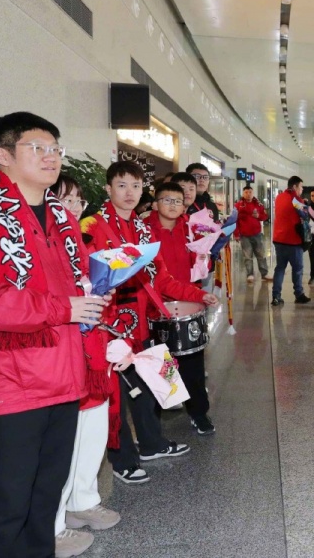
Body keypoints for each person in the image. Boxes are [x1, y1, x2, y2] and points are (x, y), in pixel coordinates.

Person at [0, 112, 111, 558]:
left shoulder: (61, 217)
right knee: (4, 509)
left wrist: (95, 294)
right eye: (37, 148)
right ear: (3, 155)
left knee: (44, 503)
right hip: (7, 385)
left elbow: (75, 285)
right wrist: (64, 308)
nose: (51, 156)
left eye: (55, 148)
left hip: (64, 378)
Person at [81, 161, 218, 485]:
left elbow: (163, 279)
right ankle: (122, 459)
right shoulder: (92, 226)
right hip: (109, 326)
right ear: (108, 189)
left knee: (153, 386)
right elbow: (85, 278)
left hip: (145, 320)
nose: (129, 193)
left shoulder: (143, 231)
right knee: (116, 397)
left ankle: (153, 443)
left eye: (136, 186)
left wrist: (198, 294)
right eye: (122, 185)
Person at [50, 175, 120, 557]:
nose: (74, 208)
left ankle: (83, 501)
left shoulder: (84, 243)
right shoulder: (45, 246)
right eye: (65, 200)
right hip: (63, 358)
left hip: (94, 353)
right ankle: (53, 524)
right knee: (61, 445)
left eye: (78, 201)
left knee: (91, 433)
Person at [144, 182, 215, 435]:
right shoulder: (144, 231)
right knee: (161, 362)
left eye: (177, 201)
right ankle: (158, 419)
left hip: (189, 302)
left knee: (193, 361)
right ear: (155, 204)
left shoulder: (193, 229)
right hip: (156, 305)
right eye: (167, 200)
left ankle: (198, 413)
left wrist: (205, 258)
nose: (173, 205)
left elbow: (204, 264)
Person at [272, 176, 312, 306]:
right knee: (297, 269)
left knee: (280, 268)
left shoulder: (279, 197)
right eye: (301, 187)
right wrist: (306, 204)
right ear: (294, 187)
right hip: (292, 240)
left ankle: (276, 296)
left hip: (278, 238)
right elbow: (305, 214)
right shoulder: (295, 199)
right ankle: (299, 294)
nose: (302, 190)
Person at [235, 185, 270, 282]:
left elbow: (265, 216)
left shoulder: (258, 204)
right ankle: (250, 274)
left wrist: (258, 216)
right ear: (243, 193)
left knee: (261, 254)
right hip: (244, 235)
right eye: (246, 192)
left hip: (257, 234)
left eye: (250, 192)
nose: (248, 194)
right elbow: (235, 221)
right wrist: (236, 234)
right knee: (247, 256)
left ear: (253, 193)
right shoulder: (238, 206)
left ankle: (264, 273)